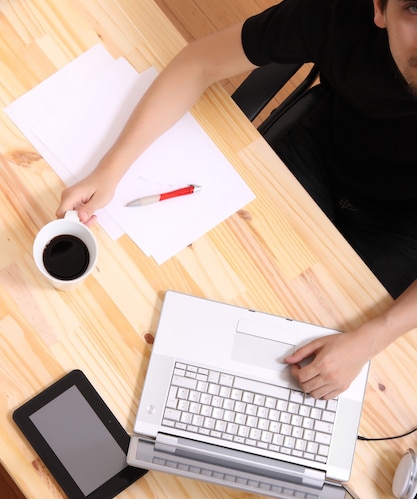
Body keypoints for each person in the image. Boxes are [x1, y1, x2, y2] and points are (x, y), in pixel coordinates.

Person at [56, 0, 417, 400]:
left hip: (401, 231)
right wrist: (110, 168)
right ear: (379, 10)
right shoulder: (338, 12)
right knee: (199, 284)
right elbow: (199, 63)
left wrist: (373, 338)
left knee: (306, 362)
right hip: (320, 156)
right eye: (415, 8)